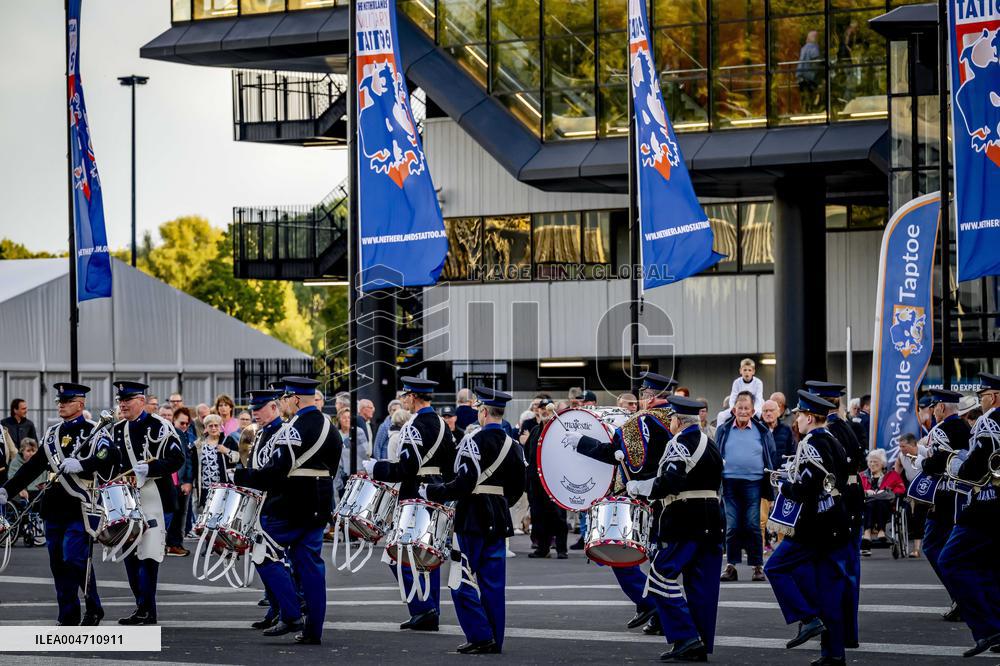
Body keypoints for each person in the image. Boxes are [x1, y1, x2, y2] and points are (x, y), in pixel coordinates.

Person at [233, 376, 340, 645]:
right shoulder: (331, 427)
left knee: (262, 553)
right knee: (312, 568)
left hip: (290, 505)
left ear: (294, 398)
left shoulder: (292, 429)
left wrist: (242, 476)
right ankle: (313, 630)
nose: (283, 404)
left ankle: (291, 613)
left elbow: (275, 473)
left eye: (284, 399)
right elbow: (333, 469)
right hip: (319, 504)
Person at [0, 383, 117, 626]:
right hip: (53, 507)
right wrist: (7, 489)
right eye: (59, 401)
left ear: (81, 404)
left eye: (67, 400)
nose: (61, 404)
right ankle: (68, 613)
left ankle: (93, 607)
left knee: (75, 557)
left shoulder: (95, 431)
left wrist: (83, 465)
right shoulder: (52, 434)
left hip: (79, 507)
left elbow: (109, 458)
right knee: (58, 563)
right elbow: (33, 466)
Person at [421, 386, 526, 655]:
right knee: (493, 584)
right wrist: (500, 505)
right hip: (499, 517)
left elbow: (462, 484)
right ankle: (495, 638)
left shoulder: (473, 442)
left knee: (461, 580)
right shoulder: (513, 445)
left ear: (482, 411)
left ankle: (480, 636)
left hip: (472, 518)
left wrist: (430, 491)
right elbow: (518, 487)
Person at [573, 371, 677, 635]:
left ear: (648, 396)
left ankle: (648, 604)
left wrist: (582, 443)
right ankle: (662, 617)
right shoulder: (678, 418)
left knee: (619, 553)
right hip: (674, 500)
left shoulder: (641, 421)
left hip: (643, 499)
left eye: (643, 394)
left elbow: (623, 457)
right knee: (660, 561)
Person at [621, 395, 724, 662]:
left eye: (672, 419)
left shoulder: (679, 443)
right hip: (712, 519)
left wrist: (638, 488)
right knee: (701, 585)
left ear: (677, 420)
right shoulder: (709, 443)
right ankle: (700, 642)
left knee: (660, 577)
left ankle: (686, 637)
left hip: (685, 519)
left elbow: (671, 481)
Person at [362, 377, 457, 632]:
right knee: (428, 553)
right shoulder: (441, 423)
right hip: (435, 493)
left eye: (406, 396)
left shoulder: (414, 427)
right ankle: (430, 609)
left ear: (413, 397)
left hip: (414, 495)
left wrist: (376, 468)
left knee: (401, 555)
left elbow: (406, 468)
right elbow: (451, 465)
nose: (404, 400)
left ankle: (423, 609)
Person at [764, 390, 851, 666]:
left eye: (800, 414)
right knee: (829, 591)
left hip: (814, 526)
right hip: (834, 522)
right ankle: (834, 653)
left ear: (810, 417)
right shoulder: (834, 441)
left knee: (774, 567)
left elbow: (807, 488)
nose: (797, 419)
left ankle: (807, 618)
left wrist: (784, 486)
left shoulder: (812, 442)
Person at [109, 381, 185, 626]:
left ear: (141, 401)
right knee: (130, 554)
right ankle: (141, 606)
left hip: (156, 498)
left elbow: (177, 458)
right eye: (121, 400)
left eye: (128, 400)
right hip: (127, 498)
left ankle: (147, 610)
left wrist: (151, 467)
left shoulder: (160, 426)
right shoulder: (117, 430)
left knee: (149, 555)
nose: (123, 404)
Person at [937, 372, 1000, 657]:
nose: (982, 401)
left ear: (994, 397)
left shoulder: (989, 421)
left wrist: (958, 466)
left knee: (951, 560)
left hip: (986, 503)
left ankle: (987, 628)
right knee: (989, 569)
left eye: (984, 395)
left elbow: (976, 466)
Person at [804, 379, 866, 649]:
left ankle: (839, 634)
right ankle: (848, 633)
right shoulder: (849, 426)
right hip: (853, 497)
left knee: (835, 572)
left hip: (839, 501)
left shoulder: (830, 431)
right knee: (849, 571)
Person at [916, 388, 971, 623]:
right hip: (960, 496)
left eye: (934, 407)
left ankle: (961, 597)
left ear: (940, 407)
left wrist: (922, 462)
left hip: (946, 496)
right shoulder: (964, 427)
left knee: (934, 547)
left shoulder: (944, 430)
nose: (933, 411)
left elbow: (937, 462)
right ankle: (963, 597)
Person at [715, 391, 777, 583]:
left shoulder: (762, 430)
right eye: (740, 408)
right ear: (734, 410)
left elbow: (771, 453)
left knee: (753, 524)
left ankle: (757, 566)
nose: (743, 411)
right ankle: (731, 566)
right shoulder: (723, 430)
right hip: (730, 482)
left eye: (746, 408)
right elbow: (717, 453)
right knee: (732, 526)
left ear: (752, 411)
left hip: (754, 482)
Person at [242, 388, 289, 632]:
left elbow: (273, 470)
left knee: (270, 557)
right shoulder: (262, 432)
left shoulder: (281, 432)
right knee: (262, 556)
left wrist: (248, 477)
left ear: (274, 407)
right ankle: (276, 607)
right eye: (253, 409)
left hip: (275, 501)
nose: (255, 413)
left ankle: (285, 609)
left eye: (259, 408)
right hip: (261, 501)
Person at [525, 398, 567, 559]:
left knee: (557, 516)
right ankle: (543, 549)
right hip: (536, 482)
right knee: (538, 515)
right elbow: (527, 453)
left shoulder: (560, 430)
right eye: (541, 408)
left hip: (555, 480)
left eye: (547, 409)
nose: (544, 411)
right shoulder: (535, 430)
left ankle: (561, 549)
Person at [191, 414, 241, 512]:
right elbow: (193, 465)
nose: (213, 428)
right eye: (210, 426)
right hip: (205, 487)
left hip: (223, 486)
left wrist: (227, 451)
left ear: (220, 427)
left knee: (221, 513)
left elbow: (240, 458)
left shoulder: (227, 441)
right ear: (206, 428)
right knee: (206, 514)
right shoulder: (199, 444)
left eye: (216, 425)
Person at [859, 449, 905, 554]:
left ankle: (881, 530)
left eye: (876, 461)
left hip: (886, 506)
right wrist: (866, 491)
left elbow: (901, 489)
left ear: (882, 463)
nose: (872, 464)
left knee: (880, 502)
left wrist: (887, 491)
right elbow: (856, 490)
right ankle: (867, 533)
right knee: (870, 503)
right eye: (870, 461)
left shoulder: (892, 475)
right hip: (868, 504)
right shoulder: (862, 476)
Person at [166, 407, 194, 557]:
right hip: (164, 481)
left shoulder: (182, 435)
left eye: (186, 424)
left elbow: (187, 460)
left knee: (178, 515)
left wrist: (187, 481)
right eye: (181, 423)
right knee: (166, 514)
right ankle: (167, 544)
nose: (184, 426)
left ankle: (174, 544)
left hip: (178, 481)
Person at [894, 433, 926, 557]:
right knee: (907, 510)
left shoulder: (924, 452)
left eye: (904, 446)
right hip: (911, 485)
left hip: (925, 485)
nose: (901, 449)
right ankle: (912, 534)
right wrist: (895, 478)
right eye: (900, 446)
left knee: (918, 514)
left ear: (913, 444)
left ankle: (917, 549)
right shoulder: (901, 455)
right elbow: (898, 465)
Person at [796, 30, 822, 112]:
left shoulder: (804, 48)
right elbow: (816, 61)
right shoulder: (814, 47)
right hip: (809, 75)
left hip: (801, 74)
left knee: (805, 93)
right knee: (813, 92)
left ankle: (806, 109)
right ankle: (812, 108)